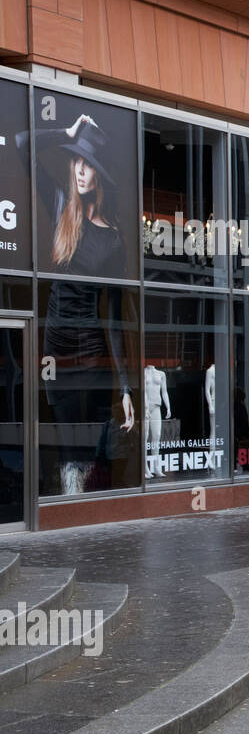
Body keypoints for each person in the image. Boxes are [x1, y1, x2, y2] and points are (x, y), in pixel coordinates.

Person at [19, 113, 136, 495]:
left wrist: (125, 389)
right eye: (78, 162)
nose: (81, 171)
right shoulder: (60, 206)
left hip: (90, 351)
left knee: (86, 444)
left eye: (89, 165)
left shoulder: (114, 241)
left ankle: (80, 508)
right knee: (65, 440)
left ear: (99, 174)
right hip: (55, 345)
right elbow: (23, 144)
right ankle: (71, 503)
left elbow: (115, 320)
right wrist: (66, 132)